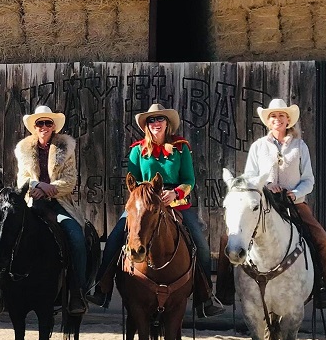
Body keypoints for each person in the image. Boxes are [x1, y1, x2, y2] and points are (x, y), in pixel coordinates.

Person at [86, 103, 225, 318]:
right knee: (114, 238)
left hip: (174, 202)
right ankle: (102, 289)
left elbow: (189, 179)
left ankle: (205, 297)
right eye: (151, 120)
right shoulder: (137, 150)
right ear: (146, 126)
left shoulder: (181, 147)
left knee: (201, 245)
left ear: (167, 124)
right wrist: (145, 196)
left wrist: (176, 193)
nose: (156, 123)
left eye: (160, 119)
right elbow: (132, 182)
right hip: (145, 203)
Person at [216, 98, 326, 309]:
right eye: (273, 116)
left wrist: (295, 193)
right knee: (228, 237)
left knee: (323, 241)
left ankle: (324, 289)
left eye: (281, 115)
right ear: (267, 121)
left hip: (293, 204)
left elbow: (309, 179)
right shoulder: (258, 146)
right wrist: (267, 185)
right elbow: (250, 176)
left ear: (288, 120)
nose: (277, 119)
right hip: (264, 204)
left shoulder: (300, 146)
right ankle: (224, 290)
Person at [0, 105, 88, 316]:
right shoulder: (24, 149)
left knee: (76, 236)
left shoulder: (66, 148)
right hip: (32, 201)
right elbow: (22, 178)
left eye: (48, 123)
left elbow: (70, 180)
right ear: (34, 127)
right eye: (40, 123)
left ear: (54, 126)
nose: (44, 127)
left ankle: (77, 291)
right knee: (6, 235)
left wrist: (49, 189)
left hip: (59, 202)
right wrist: (36, 186)